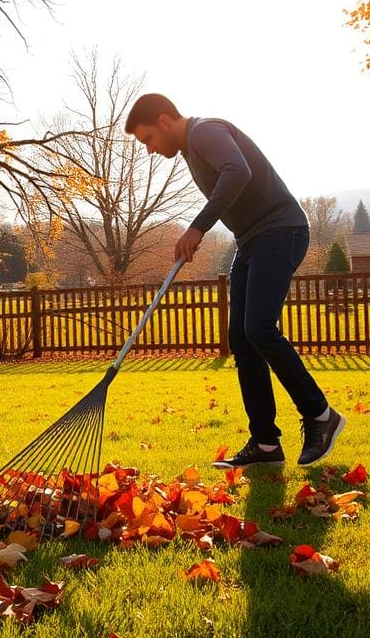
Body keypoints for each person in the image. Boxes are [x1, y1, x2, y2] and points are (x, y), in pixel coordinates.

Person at [124, 93, 345, 468]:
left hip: (280, 230)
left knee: (259, 328)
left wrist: (197, 227)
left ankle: (321, 415)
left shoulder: (204, 131)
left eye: (147, 139)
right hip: (252, 239)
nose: (148, 149)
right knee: (242, 339)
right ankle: (266, 444)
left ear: (164, 121)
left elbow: (237, 171)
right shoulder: (191, 151)